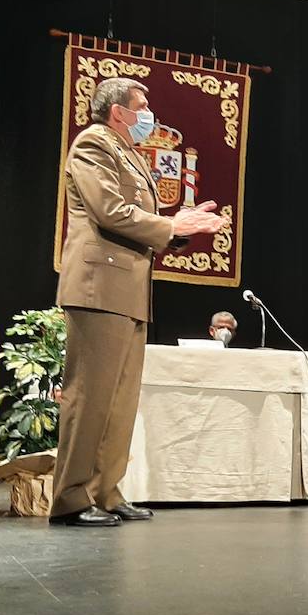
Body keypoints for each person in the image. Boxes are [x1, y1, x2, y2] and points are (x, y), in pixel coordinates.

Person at [51, 77, 228, 527]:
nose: (148, 115)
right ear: (118, 112)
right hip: (98, 286)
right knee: (90, 398)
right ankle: (72, 498)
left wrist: (179, 229)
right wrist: (172, 226)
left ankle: (106, 491)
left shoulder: (129, 153)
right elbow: (110, 211)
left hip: (129, 290)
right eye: (142, 107)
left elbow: (140, 220)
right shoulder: (93, 144)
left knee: (119, 402)